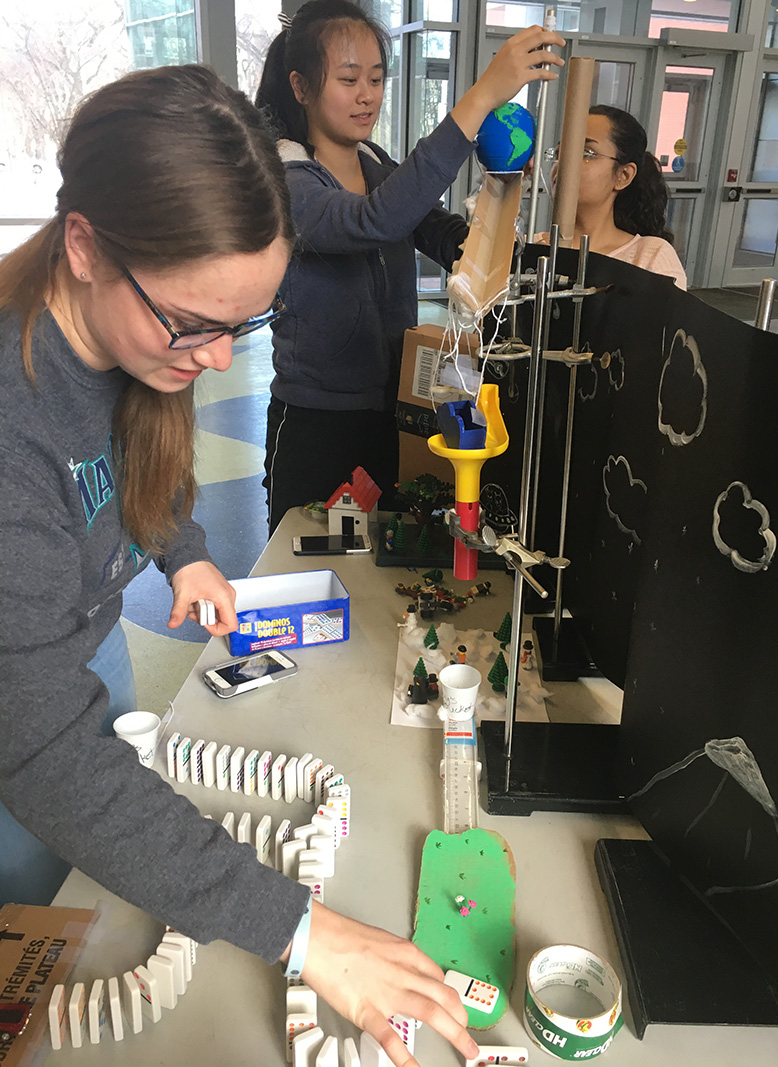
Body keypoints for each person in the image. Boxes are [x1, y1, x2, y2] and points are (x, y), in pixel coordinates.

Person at [0, 64, 479, 1067]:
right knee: (46, 930)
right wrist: (306, 930)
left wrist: (183, 556)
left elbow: (149, 462)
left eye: (243, 323)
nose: (218, 360)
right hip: (24, 712)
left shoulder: (140, 341)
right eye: (193, 323)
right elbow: (43, 753)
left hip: (66, 662)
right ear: (83, 245)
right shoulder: (15, 428)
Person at [257, 0, 566, 532]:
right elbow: (376, 221)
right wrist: (481, 97)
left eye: (376, 79)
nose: (367, 95)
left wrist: (501, 188)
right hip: (317, 425)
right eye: (349, 78)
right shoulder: (286, 181)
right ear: (301, 87)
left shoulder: (376, 163)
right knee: (315, 573)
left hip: (391, 412)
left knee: (380, 561)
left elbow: (440, 233)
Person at [538, 104, 687, 289]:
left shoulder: (649, 257)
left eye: (586, 153)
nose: (564, 163)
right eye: (560, 153)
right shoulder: (528, 246)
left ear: (623, 175)